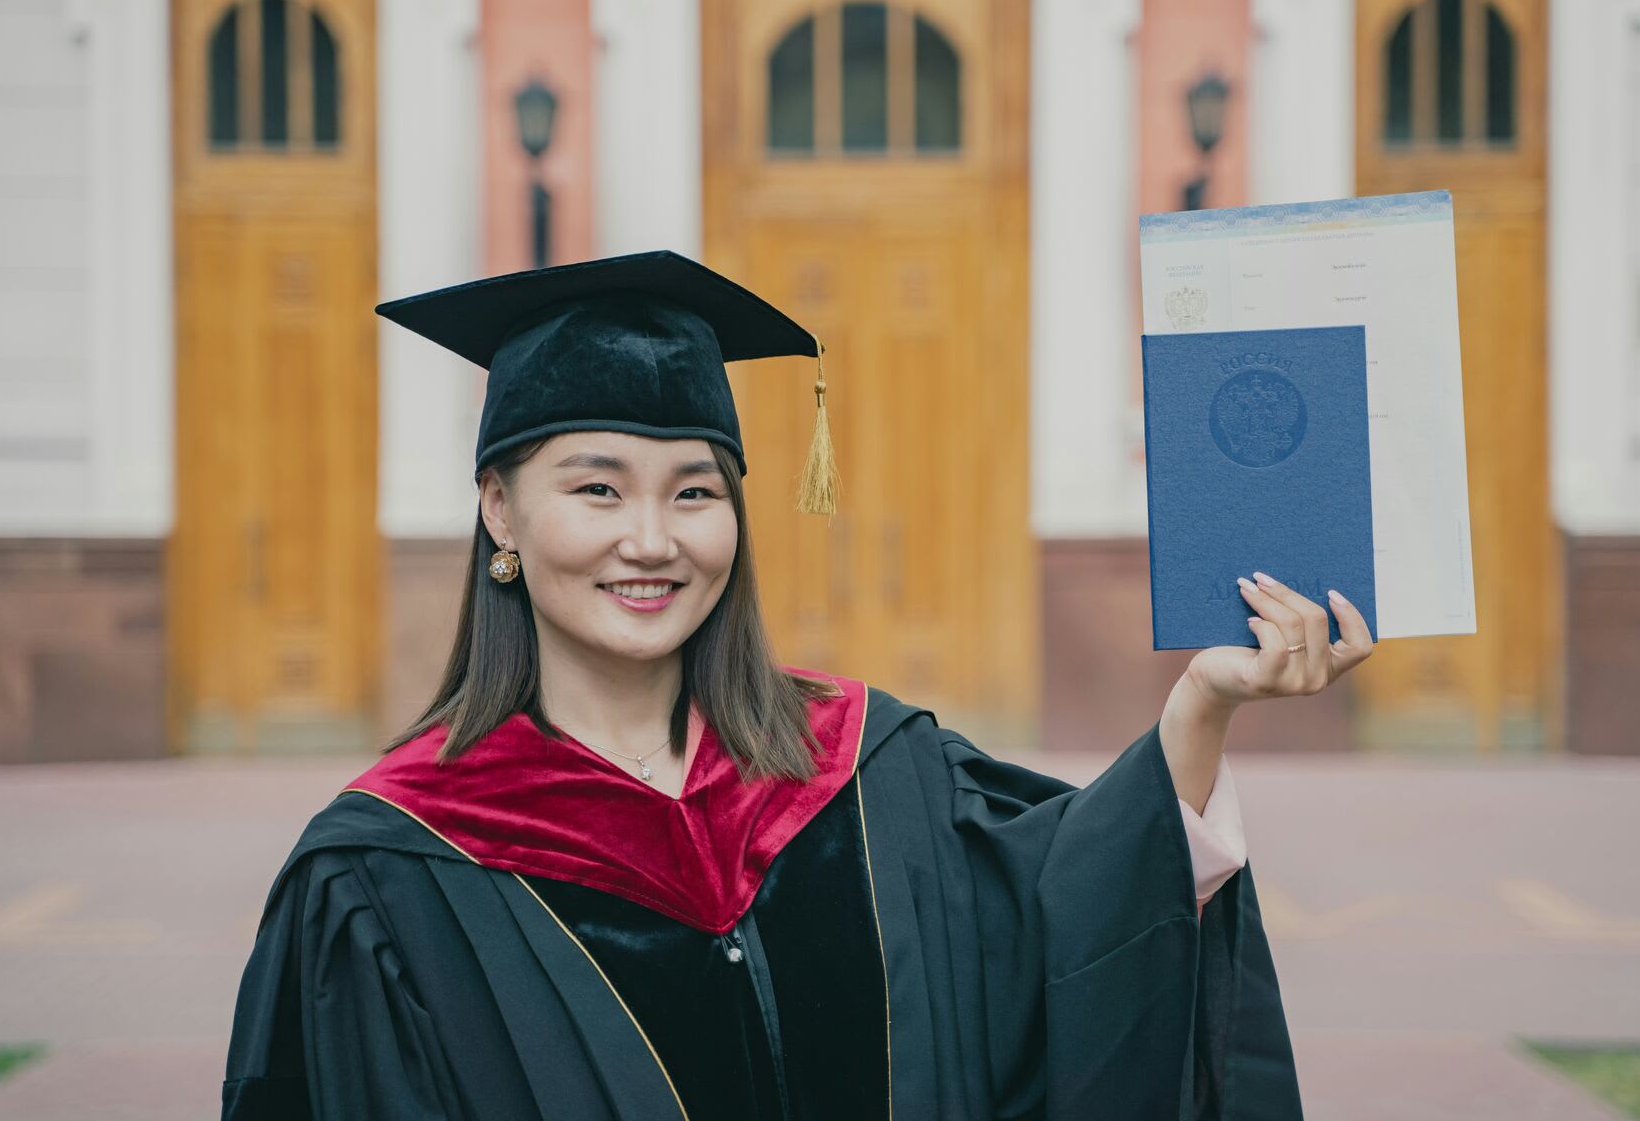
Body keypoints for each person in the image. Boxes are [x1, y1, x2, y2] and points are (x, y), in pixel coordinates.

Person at [222, 250, 1372, 1120]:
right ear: (498, 511)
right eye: (597, 489)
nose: (652, 540)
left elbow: (1065, 928)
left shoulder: (863, 767)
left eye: (694, 492)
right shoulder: (388, 870)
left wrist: (1202, 705)